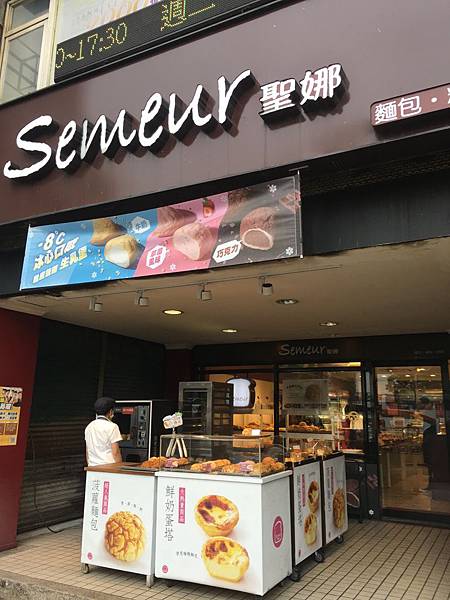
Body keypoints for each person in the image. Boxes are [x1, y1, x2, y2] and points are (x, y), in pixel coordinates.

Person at [85, 397, 123, 466]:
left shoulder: (89, 426)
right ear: (110, 412)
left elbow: (88, 452)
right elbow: (116, 452)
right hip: (108, 468)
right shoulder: (112, 427)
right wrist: (120, 467)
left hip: (92, 468)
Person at [414, 396, 438, 492]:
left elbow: (434, 422)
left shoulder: (431, 412)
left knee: (431, 463)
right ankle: (431, 484)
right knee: (430, 464)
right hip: (429, 439)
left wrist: (421, 416)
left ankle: (432, 484)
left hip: (430, 441)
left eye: (421, 404)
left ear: (427, 404)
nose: (420, 406)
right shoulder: (428, 412)